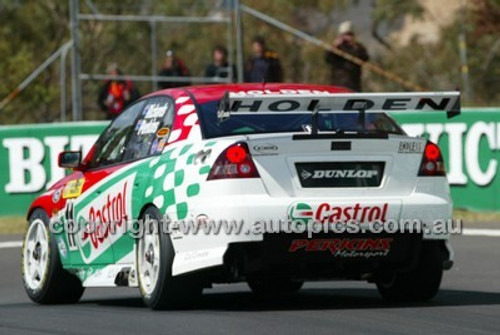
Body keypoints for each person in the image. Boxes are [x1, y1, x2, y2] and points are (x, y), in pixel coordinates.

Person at [325, 21, 369, 92]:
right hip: (338, 84)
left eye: (350, 34)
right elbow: (328, 59)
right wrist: (334, 46)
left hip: (354, 85)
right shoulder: (337, 48)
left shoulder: (357, 47)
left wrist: (354, 46)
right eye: (345, 34)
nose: (348, 37)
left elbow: (365, 58)